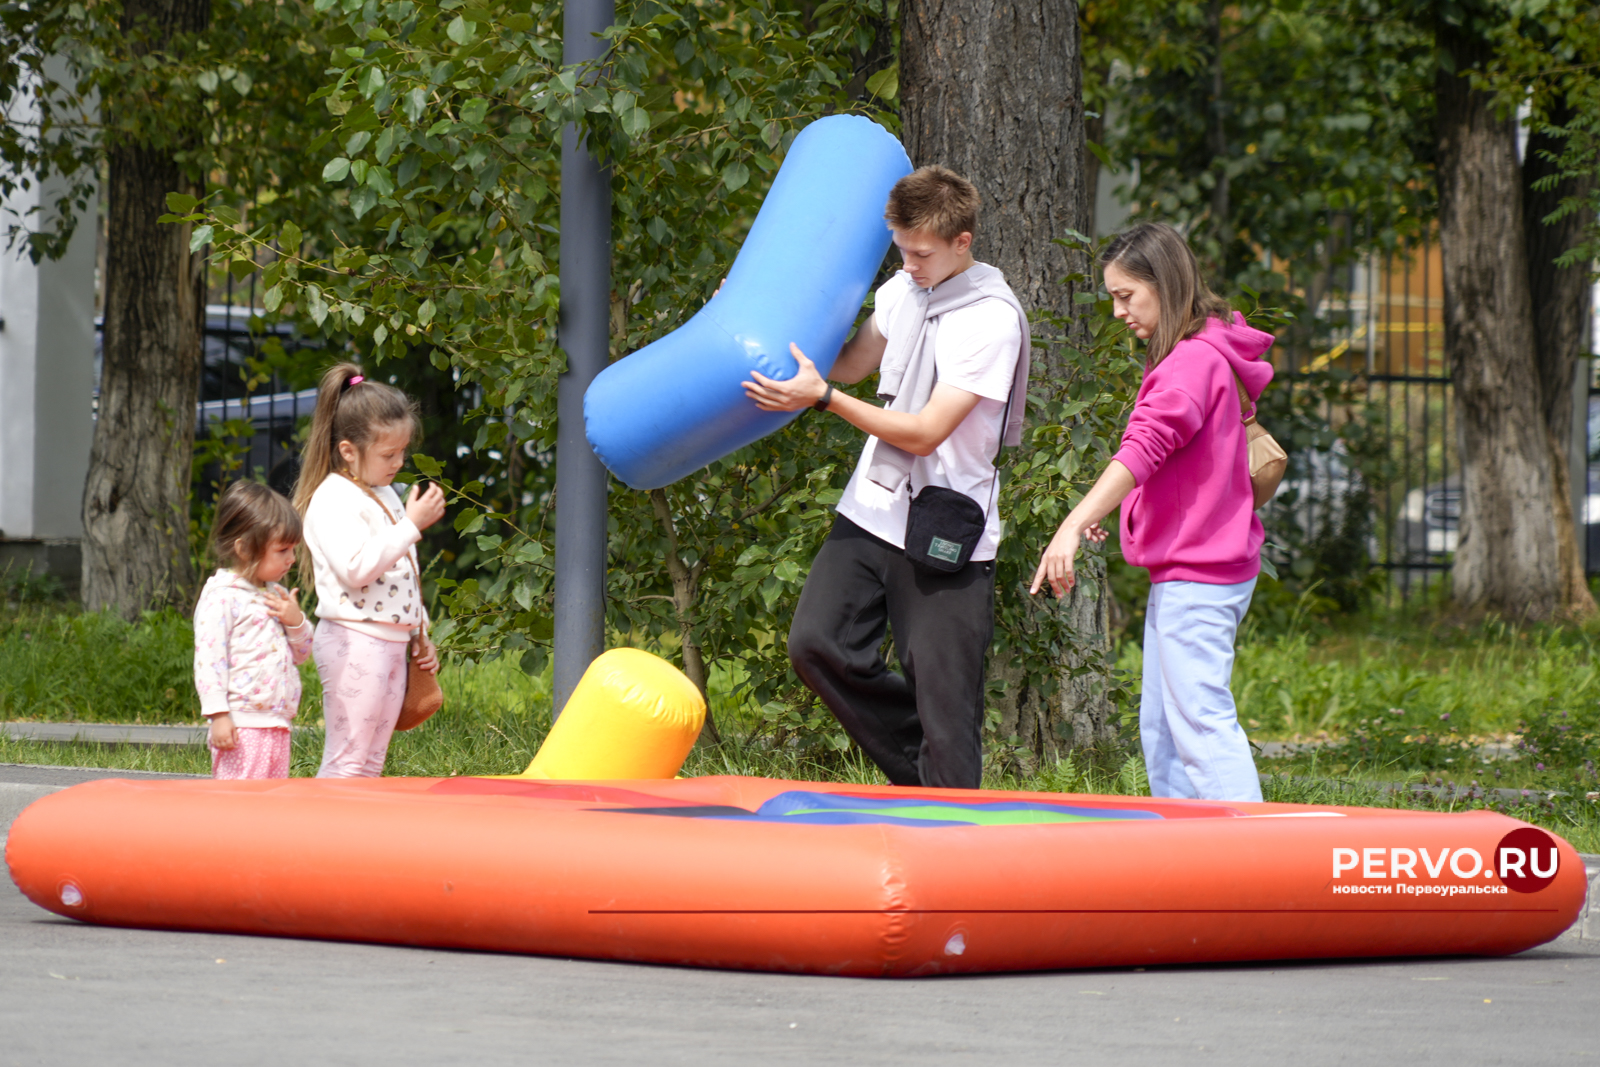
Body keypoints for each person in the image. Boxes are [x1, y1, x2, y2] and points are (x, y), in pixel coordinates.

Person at [742, 165, 1029, 789]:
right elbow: (847, 365)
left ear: (962, 242)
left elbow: (926, 431)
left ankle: (948, 810)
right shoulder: (903, 291)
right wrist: (749, 323)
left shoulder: (990, 319)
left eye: (921, 252)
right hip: (873, 508)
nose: (909, 263)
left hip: (945, 522)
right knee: (817, 644)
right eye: (901, 249)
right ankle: (926, 775)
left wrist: (823, 402)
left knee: (947, 712)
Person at [1030, 221, 1273, 802]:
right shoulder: (1205, 349)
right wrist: (1113, 507)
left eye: (1125, 295)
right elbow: (1177, 462)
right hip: (1195, 566)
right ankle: (1189, 867)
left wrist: (1069, 525)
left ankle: (1254, 869)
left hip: (1201, 571)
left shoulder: (1189, 362)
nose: (1117, 312)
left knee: (1199, 726)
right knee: (1163, 731)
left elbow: (1143, 448)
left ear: (1164, 285)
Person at [294, 363, 446, 778]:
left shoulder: (382, 491)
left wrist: (420, 633)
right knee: (349, 758)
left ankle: (352, 841)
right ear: (348, 450)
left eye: (402, 451)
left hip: (390, 642)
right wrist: (411, 526)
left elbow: (403, 574)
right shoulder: (333, 498)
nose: (399, 462)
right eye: (388, 454)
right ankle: (325, 842)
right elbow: (356, 569)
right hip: (354, 640)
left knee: (372, 759)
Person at [193, 481, 313, 780]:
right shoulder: (222, 596)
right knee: (238, 802)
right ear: (245, 549)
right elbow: (209, 660)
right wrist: (219, 715)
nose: (292, 559)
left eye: (293, 549)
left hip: (277, 722)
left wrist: (295, 621)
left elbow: (303, 653)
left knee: (270, 803)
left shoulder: (277, 595)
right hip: (242, 724)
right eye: (283, 550)